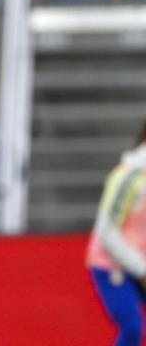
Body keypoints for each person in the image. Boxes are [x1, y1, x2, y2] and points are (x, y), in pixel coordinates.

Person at [86, 120, 146, 346]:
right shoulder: (128, 177)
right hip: (112, 265)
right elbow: (107, 231)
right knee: (132, 327)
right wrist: (141, 270)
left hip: (141, 265)